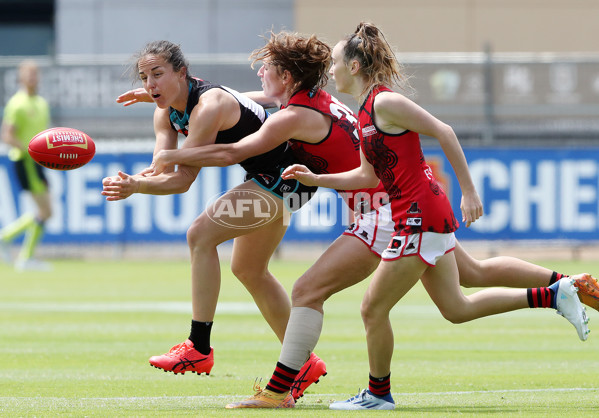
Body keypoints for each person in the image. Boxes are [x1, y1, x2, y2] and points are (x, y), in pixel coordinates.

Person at [118, 31, 599, 410]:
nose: (261, 73)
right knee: (462, 292)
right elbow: (255, 101)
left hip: (388, 212)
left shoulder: (305, 114)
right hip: (402, 201)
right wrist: (166, 101)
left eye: (268, 68)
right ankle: (561, 287)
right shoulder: (328, 104)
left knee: (317, 293)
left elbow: (236, 148)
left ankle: (295, 387)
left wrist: (171, 158)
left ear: (287, 79)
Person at [101, 40, 320, 393]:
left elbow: (184, 179)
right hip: (272, 180)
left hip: (289, 177)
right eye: (144, 77)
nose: (150, 84)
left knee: (199, 235)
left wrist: (137, 187)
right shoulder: (165, 112)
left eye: (158, 74)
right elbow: (163, 171)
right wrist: (134, 181)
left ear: (182, 73)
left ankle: (198, 347)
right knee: (248, 270)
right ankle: (304, 361)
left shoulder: (208, 106)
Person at [0, 59, 52, 272]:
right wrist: (29, 150)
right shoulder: (17, 103)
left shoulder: (41, 103)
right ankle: (23, 254)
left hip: (38, 162)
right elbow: (7, 136)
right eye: (28, 74)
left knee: (45, 211)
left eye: (35, 74)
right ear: (21, 78)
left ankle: (13, 244)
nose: (33, 78)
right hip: (26, 160)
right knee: (45, 211)